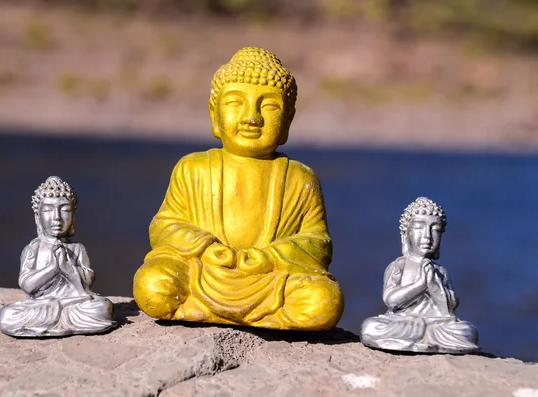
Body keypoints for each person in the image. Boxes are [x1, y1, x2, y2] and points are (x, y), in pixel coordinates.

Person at [133, 47, 344, 330]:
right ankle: (242, 313)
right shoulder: (193, 167)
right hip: (203, 272)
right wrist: (205, 248)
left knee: (323, 301)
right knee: (152, 285)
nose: (251, 118)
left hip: (270, 281)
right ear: (214, 115)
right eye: (235, 103)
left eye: (269, 107)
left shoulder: (299, 177)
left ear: (287, 121)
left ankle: (227, 312)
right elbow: (164, 226)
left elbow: (317, 243)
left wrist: (267, 257)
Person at [0, 176, 116, 337]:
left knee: (103, 307)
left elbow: (87, 286)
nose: (57, 217)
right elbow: (27, 285)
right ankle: (57, 321)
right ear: (37, 215)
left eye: (65, 210)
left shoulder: (77, 248)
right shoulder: (33, 248)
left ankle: (53, 323)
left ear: (73, 215)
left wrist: (68, 269)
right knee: (8, 314)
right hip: (40, 305)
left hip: (73, 304)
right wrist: (52, 269)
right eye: (48, 210)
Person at [360, 197, 479, 353]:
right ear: (405, 233)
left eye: (435, 229)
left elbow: (448, 310)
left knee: (467, 331)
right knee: (370, 327)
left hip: (436, 325)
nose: (427, 236)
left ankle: (422, 340)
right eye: (419, 227)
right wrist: (419, 285)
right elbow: (391, 301)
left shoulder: (441, 271)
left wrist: (433, 286)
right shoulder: (398, 265)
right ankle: (422, 339)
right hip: (404, 322)